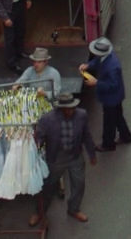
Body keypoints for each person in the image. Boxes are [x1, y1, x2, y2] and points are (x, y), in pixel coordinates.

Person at [31, 94, 97, 226]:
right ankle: (40, 212)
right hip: (56, 158)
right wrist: (35, 149)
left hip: (75, 156)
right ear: (60, 108)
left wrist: (92, 154)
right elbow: (40, 137)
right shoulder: (48, 119)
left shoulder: (81, 115)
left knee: (79, 183)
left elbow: (86, 135)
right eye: (67, 109)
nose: (70, 111)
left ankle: (73, 209)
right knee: (48, 186)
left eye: (72, 108)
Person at [82, 37, 131, 150]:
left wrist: (96, 82)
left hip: (111, 98)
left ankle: (108, 144)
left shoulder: (113, 66)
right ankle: (126, 136)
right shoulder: (107, 56)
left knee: (109, 121)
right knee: (118, 116)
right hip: (115, 96)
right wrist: (88, 65)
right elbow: (97, 61)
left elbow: (112, 84)